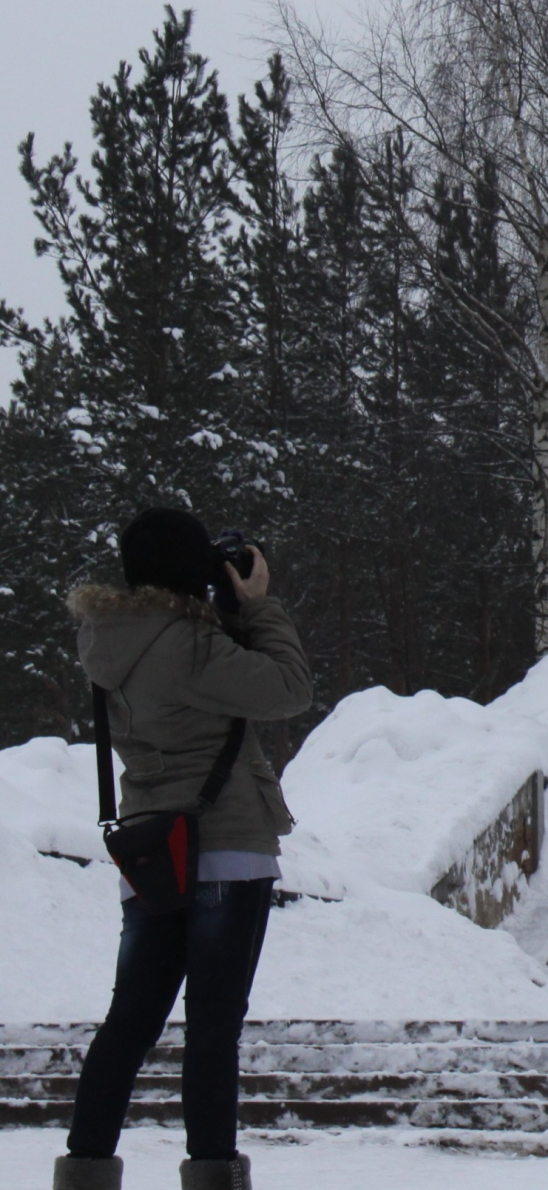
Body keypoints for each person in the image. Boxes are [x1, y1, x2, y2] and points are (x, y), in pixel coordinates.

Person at [55, 508, 311, 1190]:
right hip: (225, 842)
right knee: (212, 1028)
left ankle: (84, 1169)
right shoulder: (193, 647)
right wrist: (259, 607)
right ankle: (210, 1173)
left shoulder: (107, 640)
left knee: (130, 1022)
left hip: (151, 849)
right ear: (189, 569)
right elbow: (288, 689)